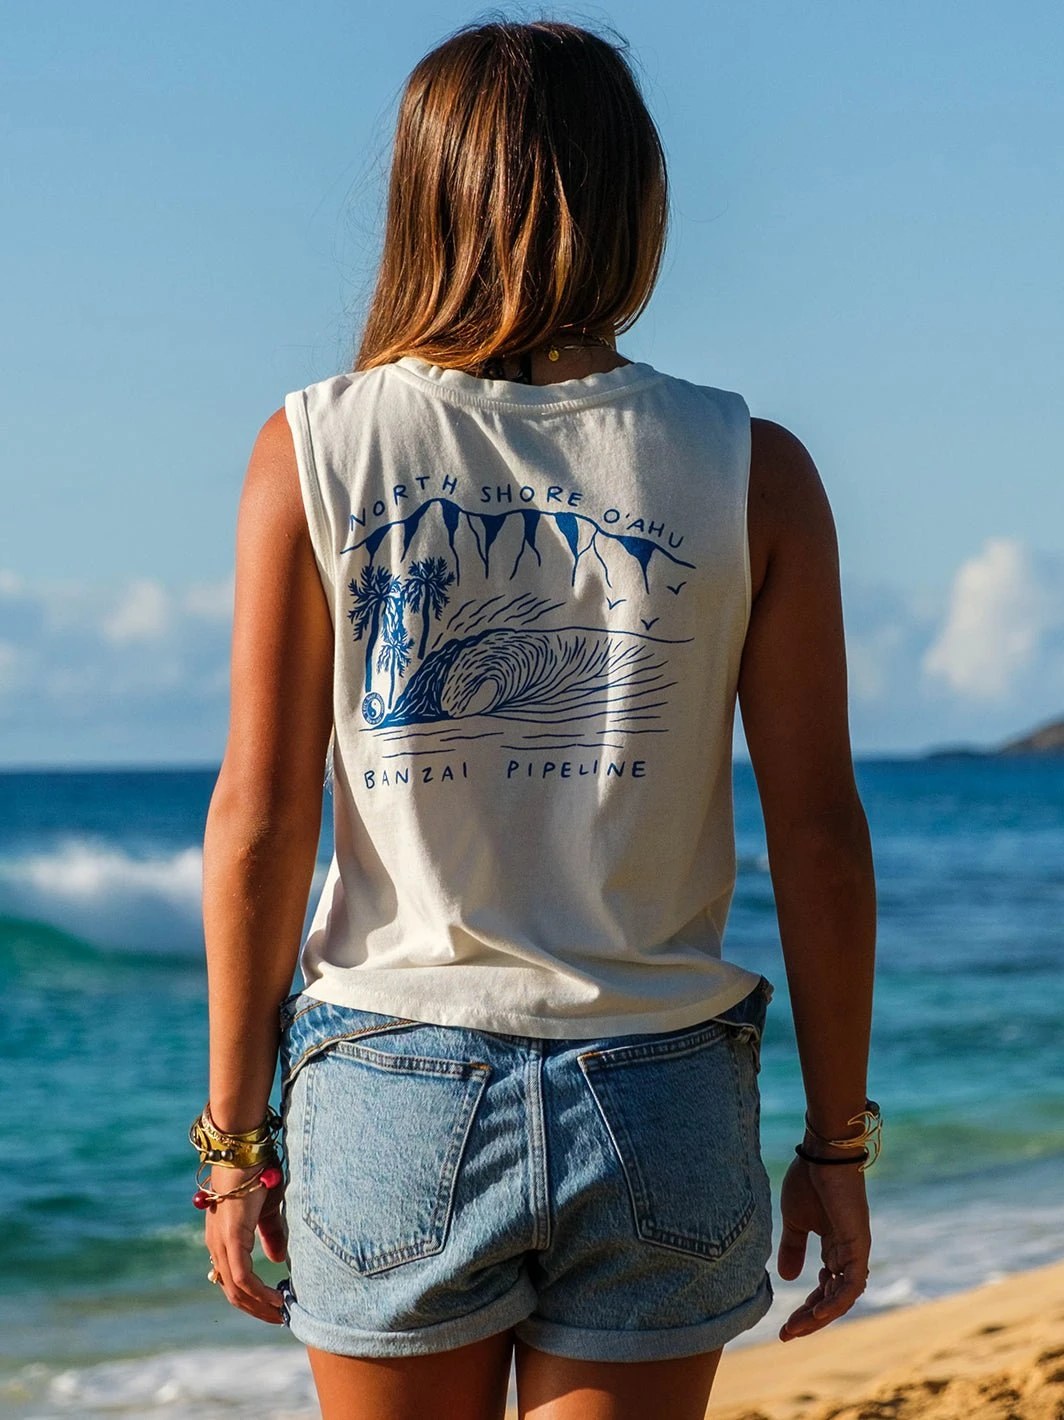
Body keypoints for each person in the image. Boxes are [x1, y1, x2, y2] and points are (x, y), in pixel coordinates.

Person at [193, 19, 877, 1420]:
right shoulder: (751, 468)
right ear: (635, 200)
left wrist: (234, 1145)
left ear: (421, 198)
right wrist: (837, 1142)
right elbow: (820, 836)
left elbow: (259, 821)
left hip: (393, 1077)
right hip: (661, 1087)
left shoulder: (316, 446)